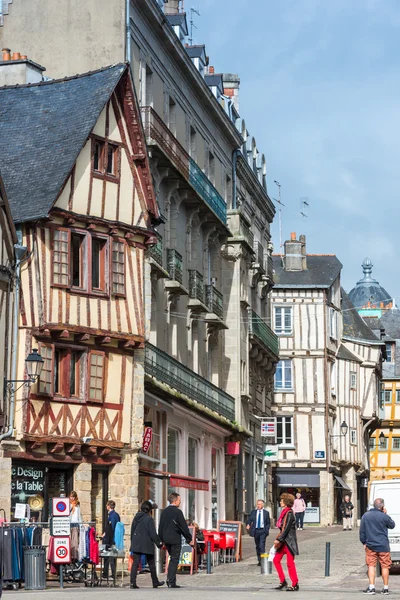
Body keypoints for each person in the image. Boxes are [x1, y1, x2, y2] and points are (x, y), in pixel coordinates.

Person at [360, 497, 395, 595]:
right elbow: (392, 525)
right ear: (382, 506)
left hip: (371, 545)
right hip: (383, 545)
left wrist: (364, 542)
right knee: (385, 566)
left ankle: (371, 587)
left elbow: (362, 531)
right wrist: (385, 514)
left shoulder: (366, 516)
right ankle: (385, 588)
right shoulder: (384, 516)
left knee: (371, 565)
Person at [158, 492, 194, 588]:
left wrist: (161, 539)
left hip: (166, 539)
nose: (180, 502)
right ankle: (171, 581)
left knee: (171, 558)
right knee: (174, 559)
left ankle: (170, 579)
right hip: (175, 539)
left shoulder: (164, 512)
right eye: (179, 501)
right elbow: (183, 527)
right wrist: (189, 538)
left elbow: (160, 527)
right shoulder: (178, 512)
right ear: (175, 501)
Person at [130, 501, 165, 589]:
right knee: (151, 564)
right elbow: (152, 534)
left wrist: (132, 542)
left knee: (135, 563)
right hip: (146, 543)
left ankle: (132, 582)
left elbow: (132, 531)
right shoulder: (149, 519)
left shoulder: (136, 518)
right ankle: (155, 582)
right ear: (149, 510)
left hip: (136, 542)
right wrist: (159, 543)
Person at [273, 493, 299, 592]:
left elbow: (287, 529)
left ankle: (295, 583)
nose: (280, 502)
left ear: (286, 502)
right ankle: (283, 581)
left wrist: (279, 539)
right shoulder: (284, 512)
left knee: (290, 563)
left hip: (289, 541)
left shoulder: (290, 513)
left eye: (282, 500)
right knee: (276, 560)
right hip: (284, 541)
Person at [246, 499, 271, 566]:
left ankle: (263, 561)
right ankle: (259, 560)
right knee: (257, 546)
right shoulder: (253, 512)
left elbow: (268, 523)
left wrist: (266, 530)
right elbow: (249, 520)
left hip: (263, 531)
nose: (258, 505)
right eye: (257, 504)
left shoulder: (266, 513)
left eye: (260, 504)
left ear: (263, 505)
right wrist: (248, 524)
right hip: (256, 531)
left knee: (261, 545)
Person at [102, 500, 120, 582]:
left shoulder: (113, 516)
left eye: (107, 505)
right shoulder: (114, 515)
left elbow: (112, 528)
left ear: (109, 506)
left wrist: (107, 536)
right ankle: (105, 573)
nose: (106, 507)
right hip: (110, 538)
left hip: (111, 539)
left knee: (111, 557)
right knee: (107, 557)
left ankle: (112, 574)